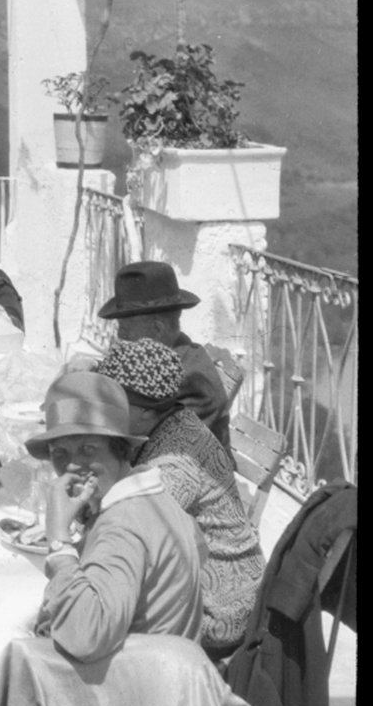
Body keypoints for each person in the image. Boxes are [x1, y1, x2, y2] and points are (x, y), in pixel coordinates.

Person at [96, 337, 264, 659]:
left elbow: (128, 530)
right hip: (205, 584)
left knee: (100, 625)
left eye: (112, 404)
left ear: (145, 413)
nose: (103, 412)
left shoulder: (174, 465)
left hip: (220, 612)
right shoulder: (167, 423)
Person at [24, 371, 204, 664]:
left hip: (135, 691)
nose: (71, 465)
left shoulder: (121, 525)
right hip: (169, 671)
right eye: (59, 452)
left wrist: (58, 537)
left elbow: (86, 637)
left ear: (120, 449)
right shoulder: (154, 498)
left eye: (87, 448)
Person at [97, 261, 234, 451]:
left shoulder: (182, 375)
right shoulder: (176, 354)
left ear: (158, 329)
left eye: (126, 328)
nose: (121, 335)